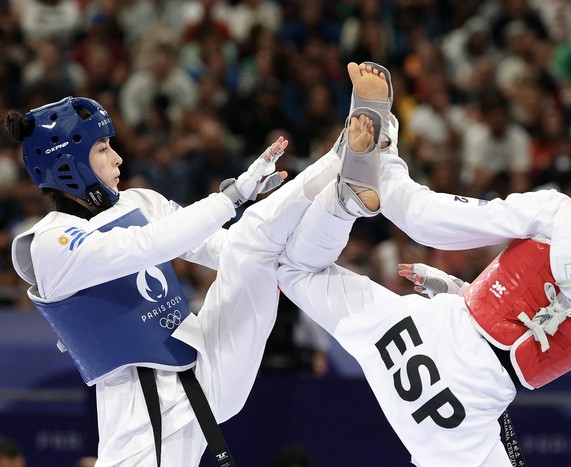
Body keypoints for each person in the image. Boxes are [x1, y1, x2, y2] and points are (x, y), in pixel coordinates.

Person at [277, 62, 571, 467]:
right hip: (455, 412)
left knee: (295, 270)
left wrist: (386, 154)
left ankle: (350, 192)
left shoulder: (555, 210)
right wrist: (467, 290)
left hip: (414, 332)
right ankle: (351, 191)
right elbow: (538, 337)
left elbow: (422, 219)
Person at [4, 94, 377, 466]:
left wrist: (257, 212)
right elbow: (144, 246)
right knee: (253, 239)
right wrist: (231, 198)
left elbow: (224, 248)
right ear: (67, 163)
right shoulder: (50, 243)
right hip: (143, 409)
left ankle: (341, 167)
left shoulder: (139, 202)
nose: (118, 158)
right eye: (102, 148)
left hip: (205, 359)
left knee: (253, 243)